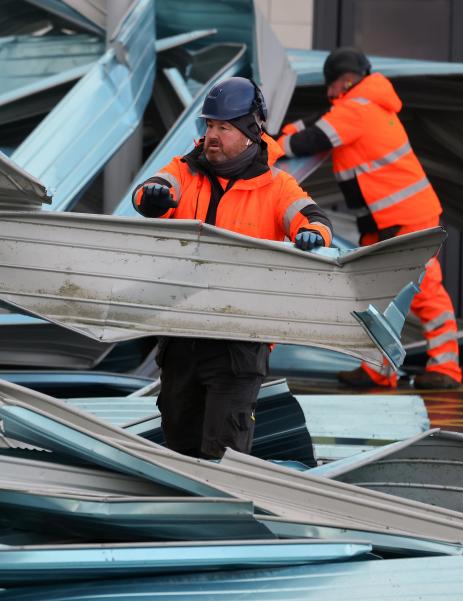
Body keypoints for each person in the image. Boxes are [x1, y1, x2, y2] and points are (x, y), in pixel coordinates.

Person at [132, 77, 332, 459]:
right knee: (179, 444)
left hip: (239, 339)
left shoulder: (277, 186)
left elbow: (312, 217)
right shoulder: (184, 170)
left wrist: (313, 234)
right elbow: (150, 191)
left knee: (224, 450)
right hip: (180, 333)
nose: (212, 135)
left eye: (224, 127)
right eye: (209, 125)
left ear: (250, 132)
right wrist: (154, 197)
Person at [276, 47, 462, 390]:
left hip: (404, 219)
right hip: (391, 220)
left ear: (345, 81)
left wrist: (276, 144)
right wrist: (287, 130)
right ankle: (379, 369)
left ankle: (445, 368)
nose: (328, 93)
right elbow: (318, 121)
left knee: (424, 291)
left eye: (330, 86)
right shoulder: (361, 107)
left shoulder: (356, 111)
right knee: (377, 295)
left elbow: (309, 140)